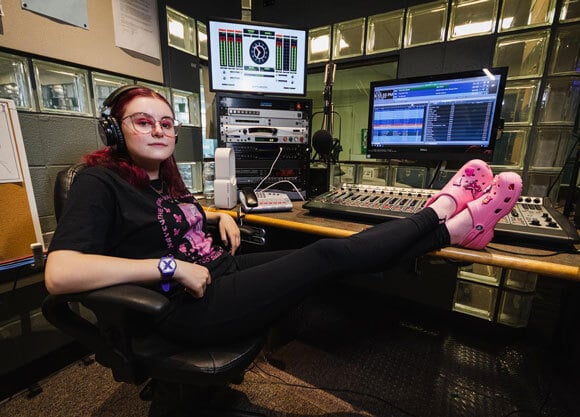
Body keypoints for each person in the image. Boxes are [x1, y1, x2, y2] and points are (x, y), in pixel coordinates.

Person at [44, 86, 523, 345]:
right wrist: (170, 267)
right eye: (142, 121)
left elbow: (162, 225)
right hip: (184, 308)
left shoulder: (159, 179)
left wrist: (215, 217)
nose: (159, 130)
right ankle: (443, 217)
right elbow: (60, 273)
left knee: (316, 251)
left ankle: (456, 228)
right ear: (114, 129)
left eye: (166, 122)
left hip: (217, 271)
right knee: (328, 256)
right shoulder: (98, 181)